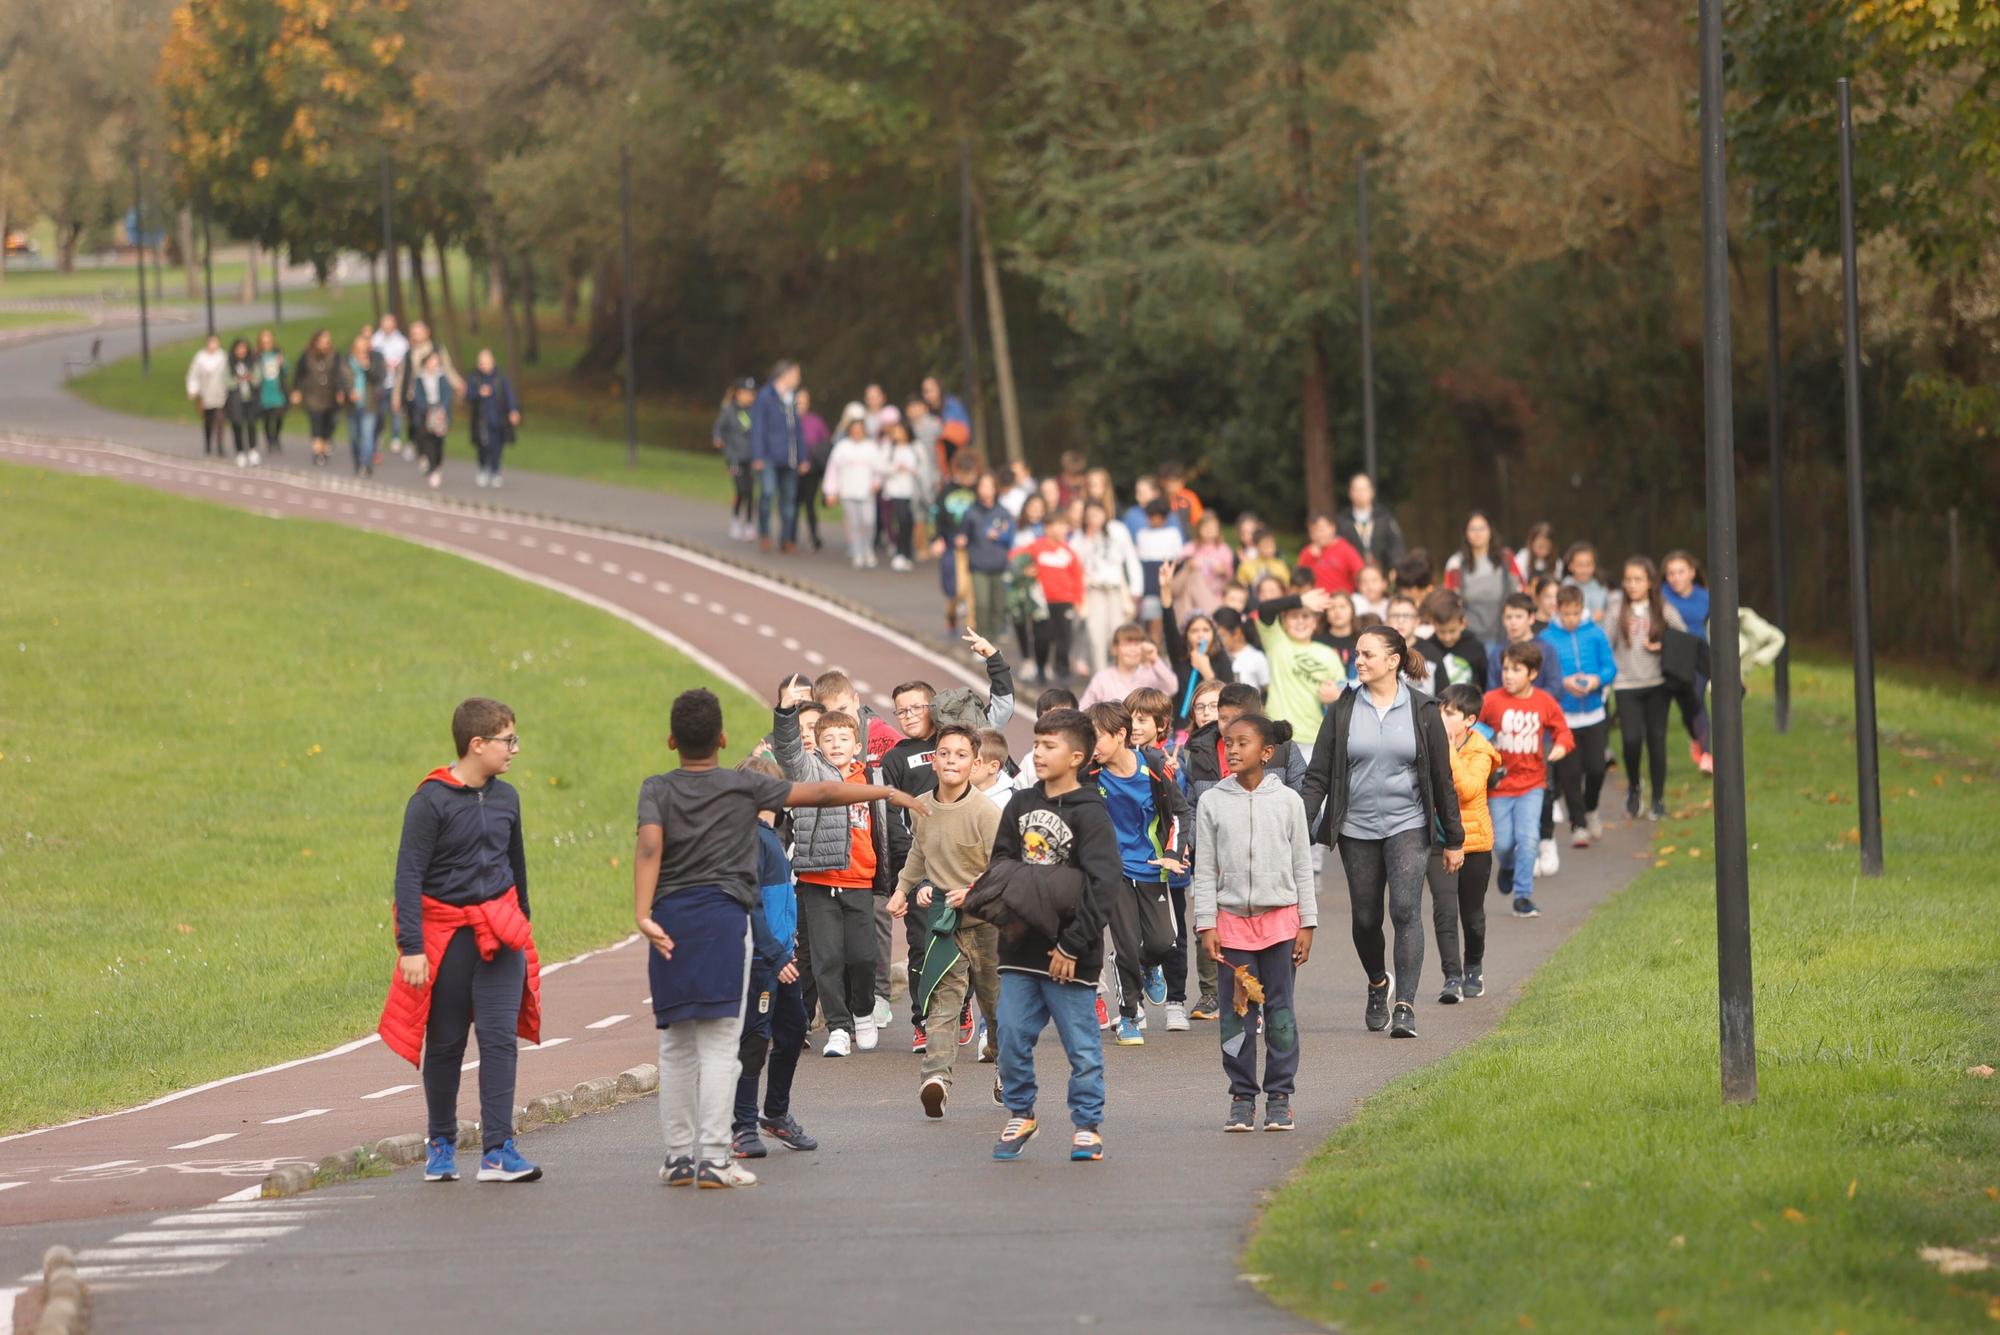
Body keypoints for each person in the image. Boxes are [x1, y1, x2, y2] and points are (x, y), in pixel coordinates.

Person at [634, 689, 917, 1187]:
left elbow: (649, 846)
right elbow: (824, 794)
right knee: (724, 1046)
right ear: (722, 739)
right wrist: (886, 793)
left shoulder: (656, 788)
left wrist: (642, 913)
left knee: (676, 1045)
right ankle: (718, 1158)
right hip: (725, 919)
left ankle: (679, 1157)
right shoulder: (740, 788)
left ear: (671, 740)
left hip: (671, 921)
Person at [377, 697, 542, 1186]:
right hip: (446, 940)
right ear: (477, 744)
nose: (514, 749)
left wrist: (523, 925)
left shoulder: (508, 797)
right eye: (507, 740)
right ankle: (442, 1143)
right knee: (446, 1043)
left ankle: (497, 1150)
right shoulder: (430, 801)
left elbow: (518, 869)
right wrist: (411, 946)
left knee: (498, 1042)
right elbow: (408, 876)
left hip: (500, 934)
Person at [1297, 626, 1463, 1040]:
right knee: (1366, 919)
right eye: (1357, 654)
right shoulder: (1343, 708)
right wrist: (1298, 821)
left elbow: (1442, 779)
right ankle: (1377, 983)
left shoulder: (1423, 710)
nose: (1359, 660)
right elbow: (1318, 774)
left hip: (1408, 824)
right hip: (1357, 828)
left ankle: (1405, 1007)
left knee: (1405, 910)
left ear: (1393, 661)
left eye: (1367, 654)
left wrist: (1455, 838)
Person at [978, 708, 1123, 1163]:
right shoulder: (1020, 805)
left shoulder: (1092, 814)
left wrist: (1071, 945)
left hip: (1069, 956)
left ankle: (1087, 1125)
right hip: (1019, 949)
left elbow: (1103, 885)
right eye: (1036, 743)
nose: (1037, 753)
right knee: (1013, 1037)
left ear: (1077, 756)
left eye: (1049, 745)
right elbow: (1001, 863)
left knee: (1081, 1046)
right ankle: (1022, 1113)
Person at [879, 635, 1016, 1050]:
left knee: (985, 962)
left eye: (918, 706)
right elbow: (895, 815)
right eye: (900, 711)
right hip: (925, 870)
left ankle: (990, 1027)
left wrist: (994, 658)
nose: (909, 715)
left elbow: (1003, 707)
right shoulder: (898, 757)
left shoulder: (964, 739)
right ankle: (931, 1022)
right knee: (924, 947)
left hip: (974, 872)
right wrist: (905, 882)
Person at [1192, 712, 1316, 1132]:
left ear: (1266, 752)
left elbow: (1303, 865)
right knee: (1235, 1014)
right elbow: (1204, 869)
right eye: (1228, 742)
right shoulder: (1211, 802)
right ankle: (1242, 1097)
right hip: (1231, 926)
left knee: (1280, 1010)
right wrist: (1206, 923)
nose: (1233, 749)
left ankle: (1280, 1096)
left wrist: (1308, 923)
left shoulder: (1288, 802)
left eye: (1243, 742)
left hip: (1280, 924)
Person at [886, 724, 1003, 1116]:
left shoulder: (986, 812)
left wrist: (973, 890)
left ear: (975, 764)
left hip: (987, 921)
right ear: (933, 760)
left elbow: (1004, 868)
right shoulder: (921, 806)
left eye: (961, 754)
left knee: (995, 1004)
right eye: (944, 753)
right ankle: (935, 1078)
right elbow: (919, 851)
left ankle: (1009, 1069)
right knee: (943, 1000)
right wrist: (904, 889)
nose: (951, 760)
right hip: (944, 922)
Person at [728, 755, 818, 1161]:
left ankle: (776, 1113)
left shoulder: (770, 835)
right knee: (754, 1040)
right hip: (763, 959)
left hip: (782, 955)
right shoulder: (749, 838)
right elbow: (750, 905)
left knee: (794, 1028)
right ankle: (742, 1126)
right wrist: (775, 952)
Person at [1085, 701, 1190, 1044]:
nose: (1091, 746)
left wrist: (1173, 853)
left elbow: (1179, 814)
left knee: (1163, 943)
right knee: (1127, 944)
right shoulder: (1089, 772)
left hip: (1152, 867)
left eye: (1096, 738)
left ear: (1120, 735)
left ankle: (1148, 964)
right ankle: (1129, 1014)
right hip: (1111, 872)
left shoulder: (1156, 767)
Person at [1479, 642, 1573, 919]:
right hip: (1500, 786)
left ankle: (1523, 896)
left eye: (1516, 670)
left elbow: (1563, 731)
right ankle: (1507, 866)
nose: (1508, 675)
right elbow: (1473, 726)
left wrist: (1561, 746)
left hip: (1533, 784)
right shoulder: (1492, 700)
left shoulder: (1544, 701)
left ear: (1532, 673)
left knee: (1529, 838)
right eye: (1505, 669)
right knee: (1504, 843)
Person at [1427, 684, 1499, 1004]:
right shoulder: (1430, 742)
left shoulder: (1481, 751)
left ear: (1468, 720)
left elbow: (1468, 789)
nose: (1441, 716)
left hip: (1474, 843)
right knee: (1444, 911)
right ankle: (1451, 977)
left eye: (1449, 712)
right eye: (1440, 709)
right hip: (1436, 841)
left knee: (1472, 915)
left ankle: (1473, 967)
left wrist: (1448, 751)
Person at [1606, 555, 1685, 820]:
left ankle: (1659, 798)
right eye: (1628, 579)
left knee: (1656, 741)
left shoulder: (1662, 608)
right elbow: (1605, 642)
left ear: (1650, 582)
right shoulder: (1617, 608)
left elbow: (1682, 639)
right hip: (1626, 684)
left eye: (1638, 579)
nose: (1632, 584)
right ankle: (1634, 787)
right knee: (1631, 740)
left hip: (1657, 685)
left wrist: (1662, 645)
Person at [1542, 585, 1617, 850]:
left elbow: (1610, 667)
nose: (1571, 619)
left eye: (1575, 613)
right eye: (1566, 614)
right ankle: (1578, 825)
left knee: (1596, 769)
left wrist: (1597, 680)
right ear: (1557, 611)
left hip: (1595, 713)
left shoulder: (1595, 633)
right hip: (1564, 717)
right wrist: (1564, 683)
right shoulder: (1547, 638)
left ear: (1582, 609)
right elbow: (1544, 676)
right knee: (1570, 774)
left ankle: (1592, 808)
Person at [1242, 586, 1344, 745]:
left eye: (1305, 616)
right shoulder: (1276, 641)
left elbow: (1344, 694)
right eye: (1294, 616)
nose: (1300, 621)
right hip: (1277, 736)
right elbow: (1265, 609)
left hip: (1315, 737)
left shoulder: (1329, 654)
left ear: (1315, 622)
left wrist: (1335, 697)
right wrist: (1300, 600)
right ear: (1283, 622)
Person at [1076, 501, 1142, 677]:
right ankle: (1099, 676)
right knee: (1095, 634)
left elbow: (1130, 557)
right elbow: (1075, 565)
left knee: (1118, 634)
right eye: (1089, 515)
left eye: (1097, 514)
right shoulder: (1080, 536)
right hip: (1093, 590)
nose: (1093, 519)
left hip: (1115, 590)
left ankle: (1121, 675)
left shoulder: (1117, 530)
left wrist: (1136, 588)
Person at [1661, 549, 1713, 773]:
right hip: (1673, 657)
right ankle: (1696, 739)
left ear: (1692, 572)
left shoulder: (1706, 596)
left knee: (1698, 700)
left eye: (1680, 572)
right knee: (1686, 707)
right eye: (1671, 573)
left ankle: (1707, 755)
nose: (1675, 578)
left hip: (1699, 656)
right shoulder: (1660, 595)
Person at [1021, 510, 1085, 685]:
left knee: (1064, 637)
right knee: (1042, 637)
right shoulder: (1036, 547)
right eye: (1059, 525)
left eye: (1064, 526)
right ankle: (1041, 668)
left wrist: (1079, 601)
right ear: (1047, 528)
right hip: (1042, 602)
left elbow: (1077, 578)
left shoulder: (1068, 552)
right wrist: (1025, 570)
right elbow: (1017, 558)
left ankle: (1062, 670)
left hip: (1064, 601)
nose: (1063, 529)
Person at [751, 359, 806, 553]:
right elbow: (758, 427)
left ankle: (787, 538)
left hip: (790, 458)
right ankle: (764, 534)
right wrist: (758, 455)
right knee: (767, 494)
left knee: (789, 501)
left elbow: (798, 430)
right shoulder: (766, 397)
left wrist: (803, 456)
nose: (798, 379)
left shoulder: (792, 398)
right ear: (785, 375)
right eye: (796, 375)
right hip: (769, 457)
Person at [1442, 511, 1520, 645]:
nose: (1478, 533)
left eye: (1482, 528)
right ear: (1465, 533)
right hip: (1469, 637)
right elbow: (1450, 601)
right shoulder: (1456, 563)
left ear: (1491, 531)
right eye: (1472, 529)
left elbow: (1519, 592)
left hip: (1505, 634)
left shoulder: (1507, 558)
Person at [956, 470, 1015, 639]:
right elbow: (963, 533)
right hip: (978, 564)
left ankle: (994, 642)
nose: (985, 490)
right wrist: (961, 539)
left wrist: (999, 535)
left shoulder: (1003, 512)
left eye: (989, 486)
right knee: (982, 604)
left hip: (999, 565)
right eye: (982, 486)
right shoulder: (971, 512)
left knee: (998, 605)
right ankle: (983, 639)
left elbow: (1010, 537)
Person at [822, 415, 882, 569]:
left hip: (866, 491)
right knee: (854, 523)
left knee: (869, 521)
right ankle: (857, 551)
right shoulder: (842, 447)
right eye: (854, 430)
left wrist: (877, 482)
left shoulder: (871, 447)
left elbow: (879, 468)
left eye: (860, 430)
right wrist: (830, 491)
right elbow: (832, 470)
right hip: (848, 490)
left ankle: (868, 548)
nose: (857, 433)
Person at [464, 349, 520, 488]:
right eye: (481, 363)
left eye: (486, 363)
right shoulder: (474, 377)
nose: (483, 366)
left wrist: (513, 410)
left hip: (498, 420)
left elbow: (509, 395)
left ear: (492, 362)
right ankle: (483, 469)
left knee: (497, 447)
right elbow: (468, 395)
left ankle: (495, 471)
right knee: (482, 447)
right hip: (480, 421)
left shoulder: (501, 377)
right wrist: (479, 392)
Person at [713, 377, 758, 541]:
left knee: (751, 490)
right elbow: (718, 428)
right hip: (734, 457)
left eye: (751, 393)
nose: (749, 397)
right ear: (738, 394)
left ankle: (749, 522)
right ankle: (736, 519)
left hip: (751, 457)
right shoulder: (729, 411)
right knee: (740, 489)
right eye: (745, 393)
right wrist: (718, 439)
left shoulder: (755, 412)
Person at [291, 329, 344, 468]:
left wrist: (340, 391)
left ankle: (325, 447)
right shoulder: (306, 356)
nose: (325, 344)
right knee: (316, 423)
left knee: (329, 424)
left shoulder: (334, 356)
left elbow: (339, 374)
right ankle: (317, 453)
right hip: (313, 396)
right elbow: (298, 374)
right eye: (322, 341)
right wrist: (296, 391)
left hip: (330, 396)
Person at [1336, 473, 1408, 572]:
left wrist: (1396, 567)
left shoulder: (1384, 517)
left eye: (1364, 489)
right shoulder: (1342, 520)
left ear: (1372, 492)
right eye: (1356, 489)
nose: (1360, 493)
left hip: (1382, 574)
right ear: (1350, 493)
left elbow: (1396, 546)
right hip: (1351, 576)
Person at [1419, 589, 1487, 690]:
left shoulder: (1475, 647)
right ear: (1433, 624)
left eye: (1452, 631)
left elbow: (1483, 680)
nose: (1447, 637)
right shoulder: (1428, 649)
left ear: (1463, 623)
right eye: (1442, 632)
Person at [1176, 512, 1236, 622]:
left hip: (1215, 594)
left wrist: (1223, 571)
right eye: (1206, 527)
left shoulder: (1224, 550)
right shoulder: (1190, 547)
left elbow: (1230, 577)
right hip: (1190, 596)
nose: (1209, 530)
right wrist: (1189, 565)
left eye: (1213, 528)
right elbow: (1179, 568)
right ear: (1199, 529)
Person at [409, 350, 455, 491]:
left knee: (438, 441)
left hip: (440, 412)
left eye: (436, 361)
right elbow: (418, 397)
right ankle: (431, 466)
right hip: (425, 413)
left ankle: (437, 465)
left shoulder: (442, 377)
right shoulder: (419, 378)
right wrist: (427, 409)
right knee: (426, 439)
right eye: (431, 361)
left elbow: (447, 395)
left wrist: (442, 409)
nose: (434, 364)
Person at [880, 420, 921, 571]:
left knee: (909, 522)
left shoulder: (915, 448)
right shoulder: (889, 449)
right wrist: (895, 468)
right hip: (894, 491)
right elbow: (881, 466)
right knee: (900, 521)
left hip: (910, 491)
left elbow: (922, 467)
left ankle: (908, 553)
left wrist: (912, 470)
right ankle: (899, 552)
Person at [344, 333, 387, 477]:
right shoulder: (347, 361)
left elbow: (379, 379)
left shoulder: (375, 359)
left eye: (364, 348)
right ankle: (357, 462)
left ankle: (366, 464)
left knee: (368, 437)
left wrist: (367, 368)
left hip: (369, 405)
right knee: (354, 437)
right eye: (359, 348)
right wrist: (348, 392)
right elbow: (341, 380)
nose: (362, 351)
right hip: (352, 405)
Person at [370, 313, 411, 460]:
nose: (387, 328)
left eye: (390, 325)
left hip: (395, 382)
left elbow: (405, 360)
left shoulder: (401, 341)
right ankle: (379, 434)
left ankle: (396, 437)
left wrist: (396, 364)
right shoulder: (375, 340)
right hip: (381, 383)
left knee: (396, 410)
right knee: (380, 412)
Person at [797, 388, 831, 552]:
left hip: (812, 470)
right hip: (792, 470)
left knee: (810, 503)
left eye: (804, 402)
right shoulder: (787, 421)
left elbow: (825, 444)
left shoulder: (816, 421)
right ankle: (789, 536)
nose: (801, 405)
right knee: (792, 503)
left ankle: (814, 536)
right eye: (798, 401)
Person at [184, 334, 229, 457]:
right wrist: (193, 390)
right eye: (211, 343)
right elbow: (193, 376)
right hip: (205, 395)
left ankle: (220, 447)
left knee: (220, 420)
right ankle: (208, 443)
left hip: (220, 395)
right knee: (208, 421)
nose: (213, 345)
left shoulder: (223, 357)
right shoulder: (200, 358)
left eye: (215, 343)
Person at [1300, 514, 1365, 594]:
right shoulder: (1307, 553)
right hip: (1316, 601)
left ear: (1333, 528)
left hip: (1341, 600)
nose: (1318, 534)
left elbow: (1361, 574)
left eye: (1321, 529)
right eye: (1313, 531)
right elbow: (1300, 580)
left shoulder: (1345, 549)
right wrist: (1311, 557)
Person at [224, 337, 259, 466]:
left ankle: (253, 449)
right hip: (236, 399)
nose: (241, 351)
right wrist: (237, 381)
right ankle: (240, 452)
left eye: (243, 348)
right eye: (239, 348)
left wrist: (250, 378)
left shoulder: (252, 362)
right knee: (237, 425)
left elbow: (257, 377)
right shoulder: (230, 363)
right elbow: (227, 381)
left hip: (250, 398)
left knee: (251, 424)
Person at [253, 329, 287, 458]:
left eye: (268, 341)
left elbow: (286, 369)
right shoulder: (257, 356)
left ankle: (276, 437)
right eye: (264, 342)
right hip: (264, 391)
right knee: (267, 419)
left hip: (276, 390)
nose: (266, 344)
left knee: (279, 415)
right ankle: (269, 441)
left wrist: (282, 363)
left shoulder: (277, 354)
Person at [1562, 542, 1610, 622]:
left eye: (1588, 565)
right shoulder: (1566, 586)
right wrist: (1591, 620)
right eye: (1580, 565)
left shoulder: (1600, 586)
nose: (1584, 570)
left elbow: (1605, 612)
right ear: (1570, 566)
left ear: (1594, 565)